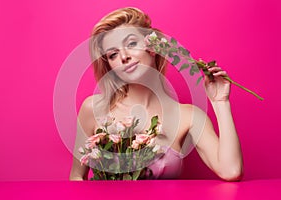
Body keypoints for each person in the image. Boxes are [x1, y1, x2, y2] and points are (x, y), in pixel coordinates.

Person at [69, 7, 243, 181]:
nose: (124, 56)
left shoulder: (188, 116)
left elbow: (231, 171)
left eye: (131, 44)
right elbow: (77, 177)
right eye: (113, 54)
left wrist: (220, 102)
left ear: (152, 47)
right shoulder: (94, 109)